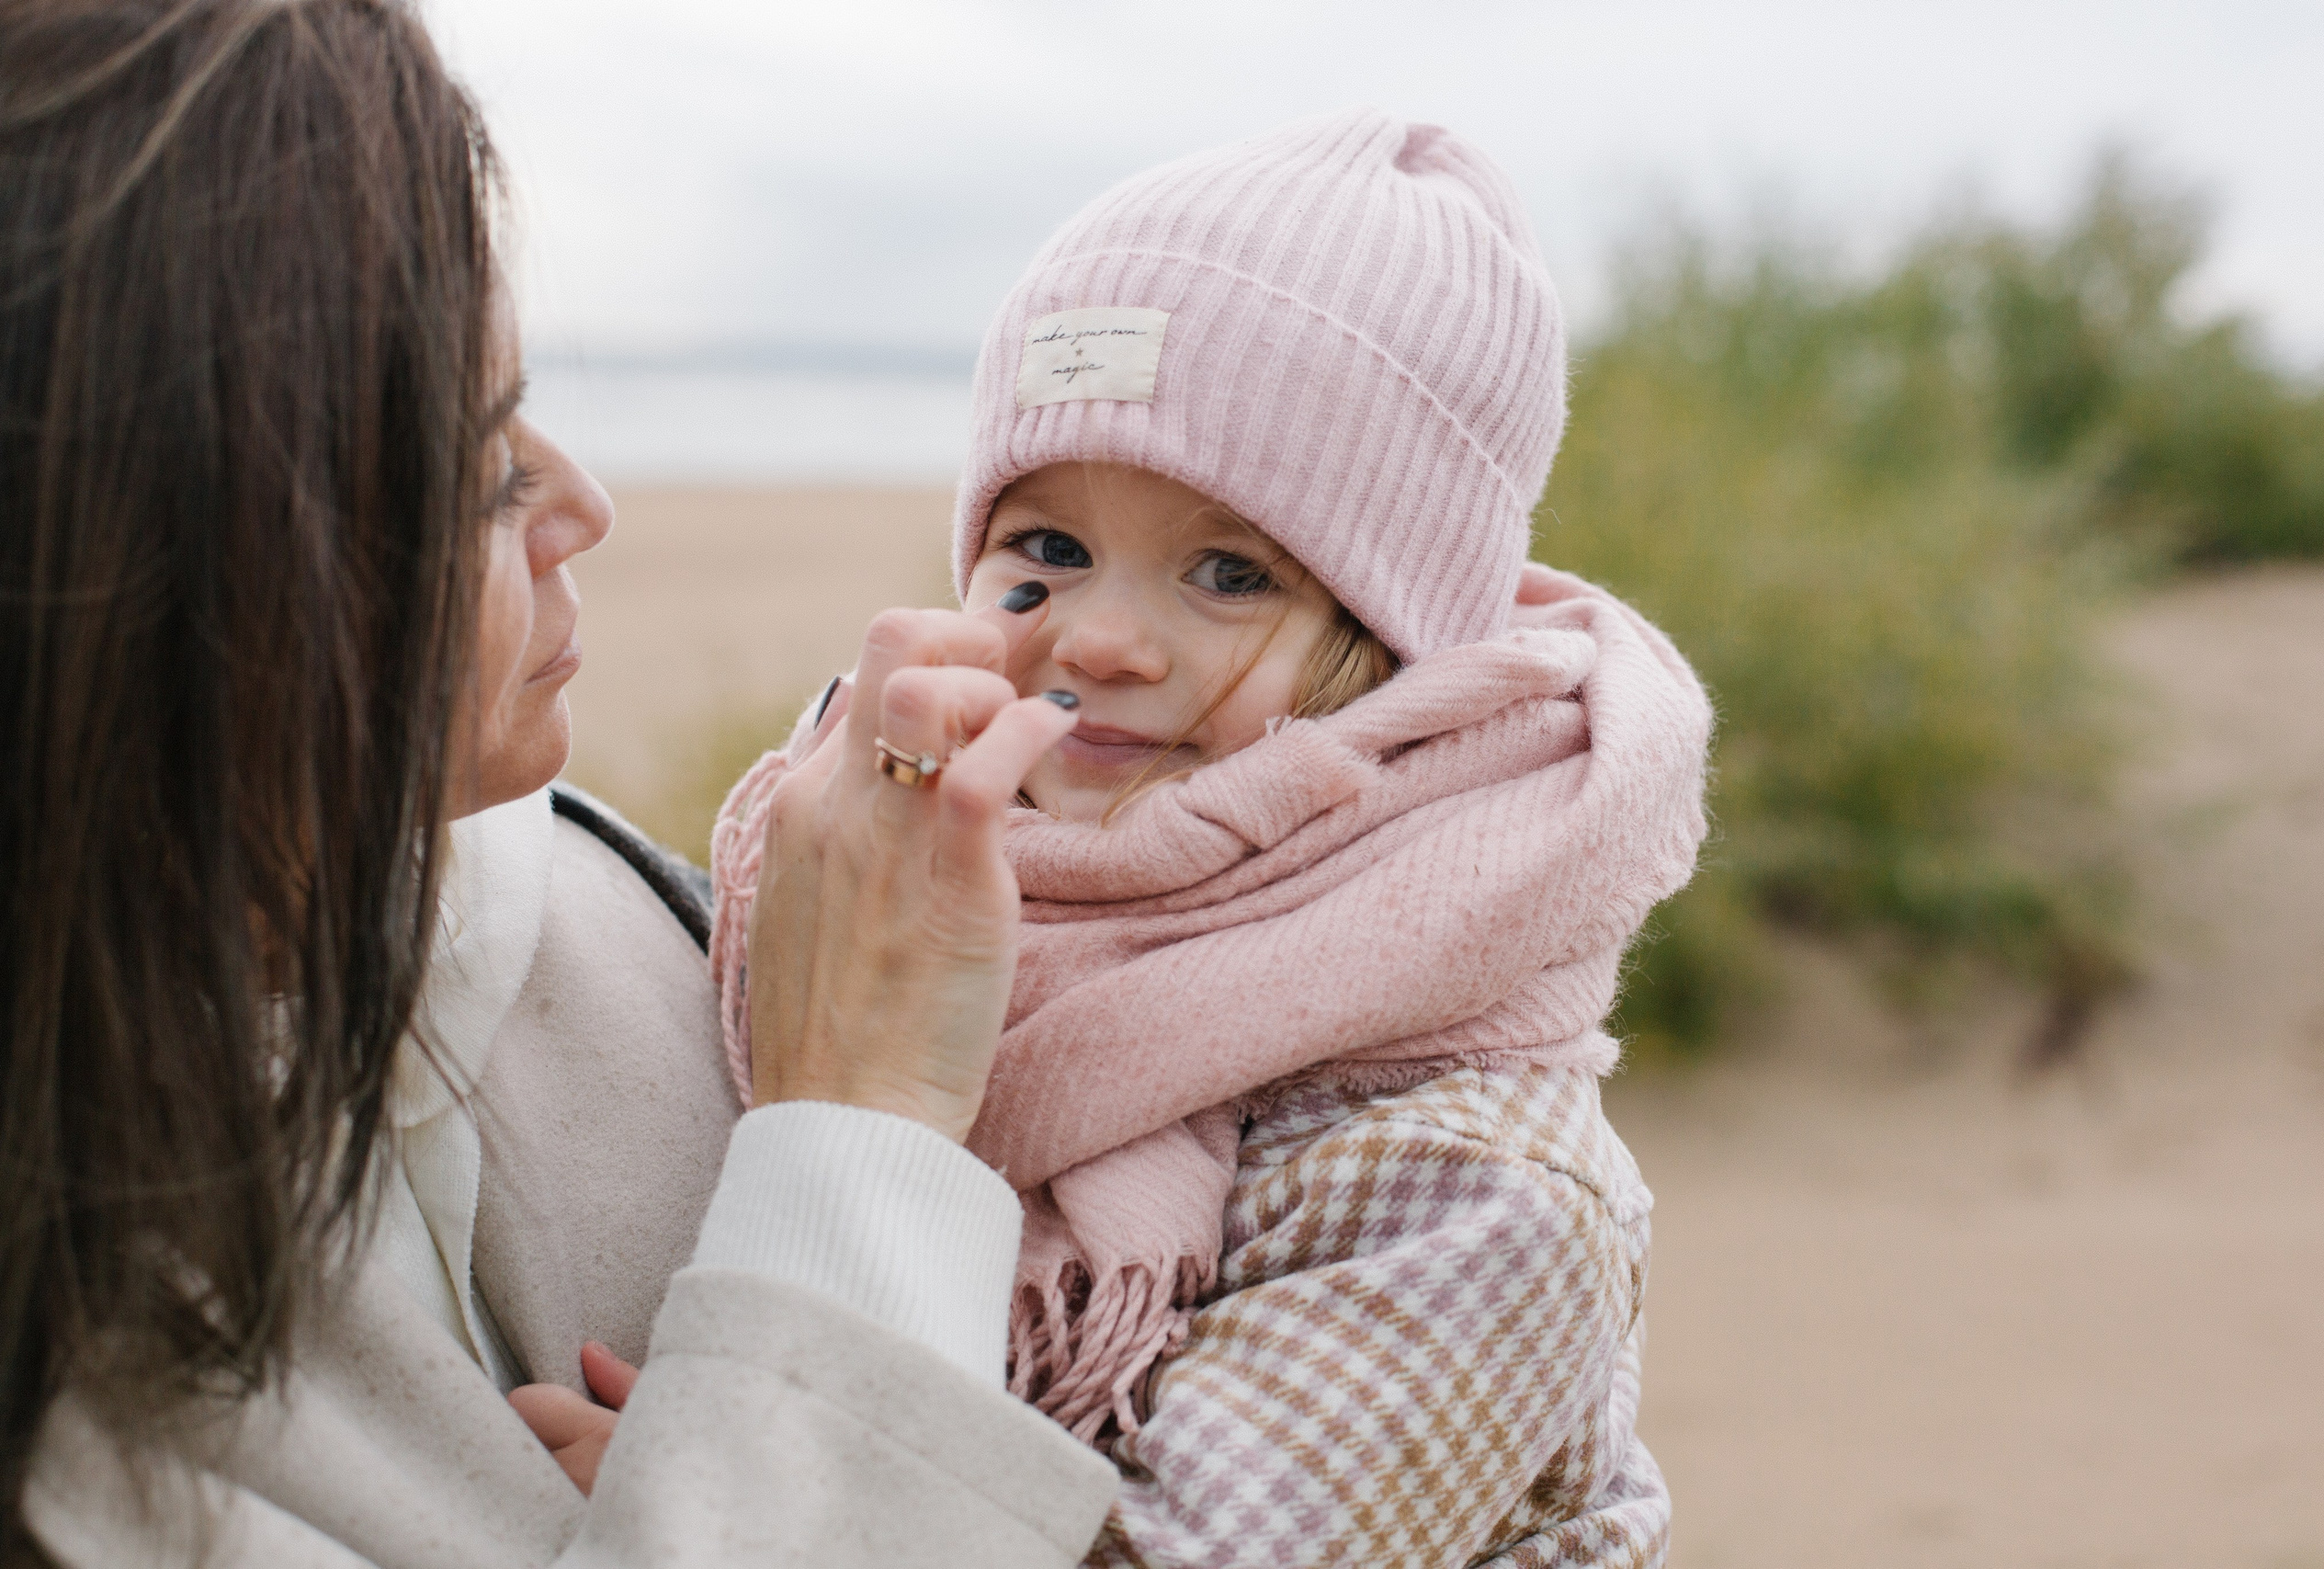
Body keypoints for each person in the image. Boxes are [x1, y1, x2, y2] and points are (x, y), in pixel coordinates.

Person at [0, 1, 1116, 1563]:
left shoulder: (588, 909)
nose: (585, 504)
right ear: (182, 584)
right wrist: (861, 1129)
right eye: (483, 469)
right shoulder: (81, 1448)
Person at [702, 112, 1714, 1566]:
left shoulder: (1472, 1185)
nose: (1102, 641)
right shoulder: (872, 895)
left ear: (1390, 643)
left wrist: (739, 1479)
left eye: (1230, 574)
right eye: (1045, 550)